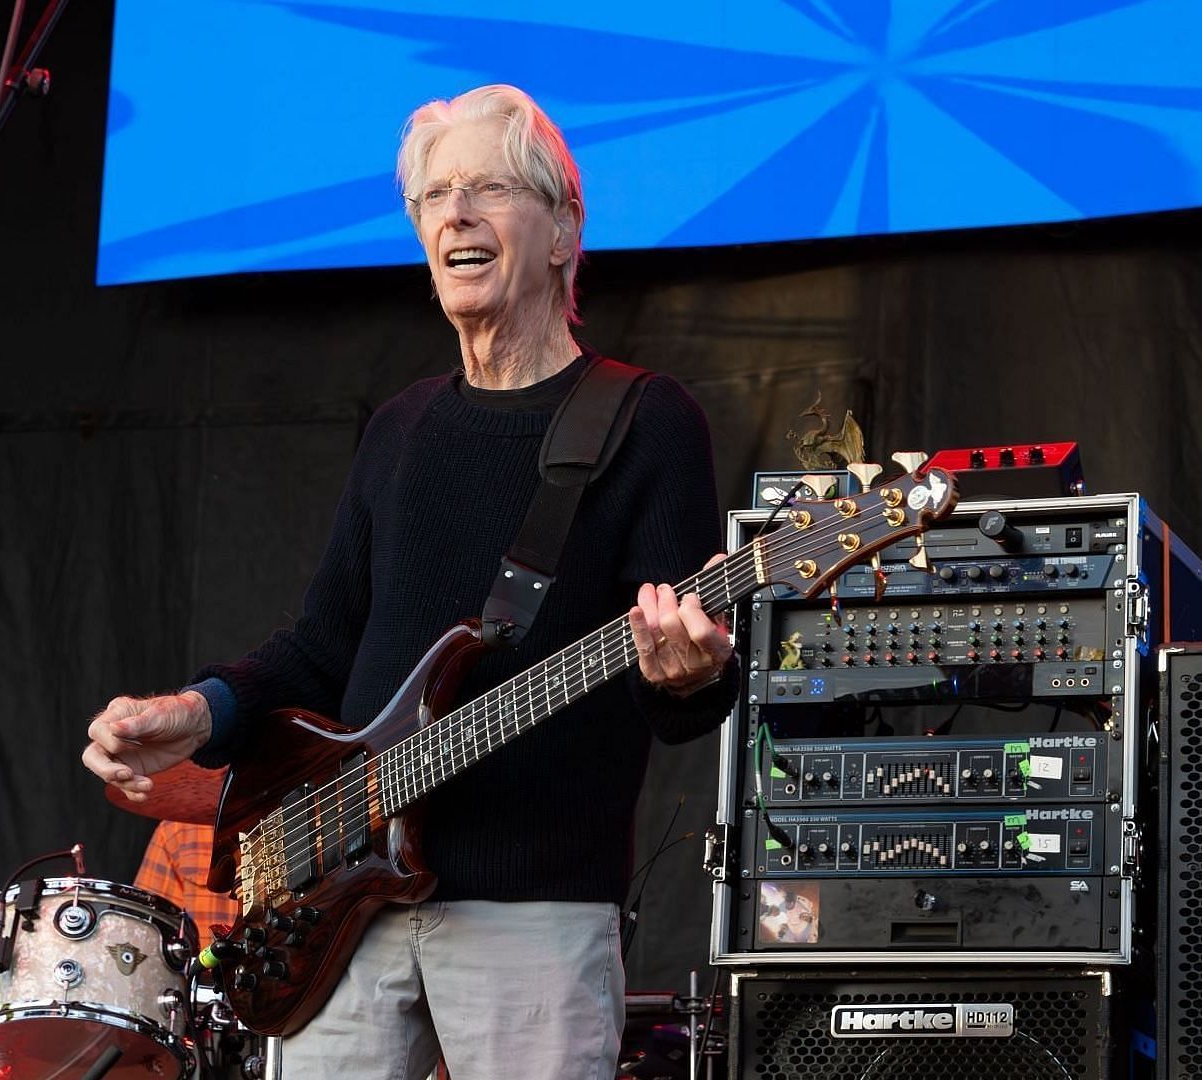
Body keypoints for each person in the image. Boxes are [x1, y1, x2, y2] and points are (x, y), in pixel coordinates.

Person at [83, 84, 735, 1080]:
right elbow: (323, 647)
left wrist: (689, 673)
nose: (454, 216)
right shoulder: (402, 429)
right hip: (342, 906)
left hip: (536, 913)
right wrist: (199, 710)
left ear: (562, 231)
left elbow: (676, 683)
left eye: (485, 189)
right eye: (433, 198)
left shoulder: (646, 421)